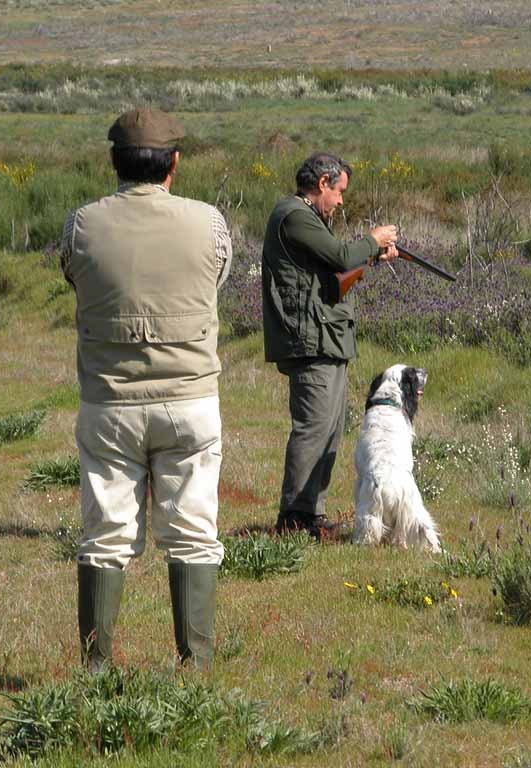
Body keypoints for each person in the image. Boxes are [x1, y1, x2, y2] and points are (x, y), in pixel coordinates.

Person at [61, 107, 231, 672]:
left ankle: (96, 669)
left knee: (104, 535)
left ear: (114, 161)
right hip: (190, 400)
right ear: (173, 162)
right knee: (193, 532)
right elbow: (218, 278)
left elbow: (72, 275)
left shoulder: (82, 224)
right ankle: (195, 668)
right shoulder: (208, 222)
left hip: (109, 402)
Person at [262, 152, 399, 539]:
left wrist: (370, 257)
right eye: (339, 192)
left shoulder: (307, 217)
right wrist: (372, 241)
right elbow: (340, 256)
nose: (340, 201)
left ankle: (310, 513)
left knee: (330, 429)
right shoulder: (295, 215)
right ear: (322, 182)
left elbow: (334, 273)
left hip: (327, 337)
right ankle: (294, 517)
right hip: (310, 338)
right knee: (314, 428)